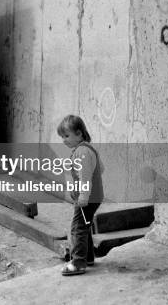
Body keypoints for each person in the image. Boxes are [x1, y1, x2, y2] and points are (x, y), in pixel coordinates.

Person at [57, 115, 104, 276]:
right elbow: (100, 168)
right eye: (62, 137)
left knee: (78, 228)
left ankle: (78, 263)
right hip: (95, 196)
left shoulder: (81, 152)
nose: (64, 140)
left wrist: (83, 196)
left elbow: (85, 177)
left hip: (87, 198)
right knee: (85, 225)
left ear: (79, 133)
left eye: (67, 136)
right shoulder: (87, 148)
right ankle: (87, 257)